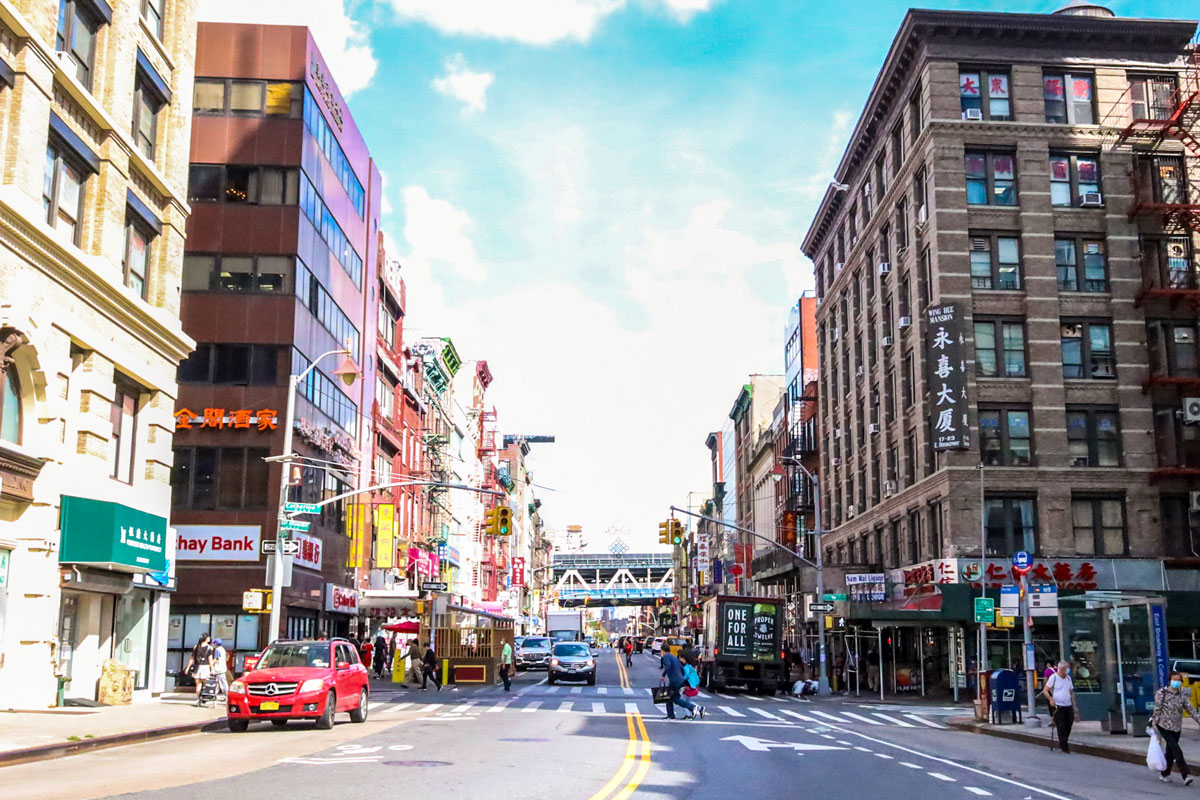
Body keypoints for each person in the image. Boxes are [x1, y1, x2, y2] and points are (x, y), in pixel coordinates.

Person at [1151, 671, 1200, 785]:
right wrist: (1154, 726)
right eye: (1174, 679)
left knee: (1171, 752)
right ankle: (1185, 775)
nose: (1176, 682)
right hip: (1164, 725)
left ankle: (1164, 773)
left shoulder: (1181, 696)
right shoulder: (1161, 693)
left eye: (1178, 680)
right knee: (1176, 749)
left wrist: (1198, 720)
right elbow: (1157, 710)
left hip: (1176, 727)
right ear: (1170, 680)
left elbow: (1191, 710)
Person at [1042, 660, 1078, 753]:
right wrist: (1051, 699)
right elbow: (1045, 690)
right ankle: (1064, 746)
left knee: (1068, 725)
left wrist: (1074, 705)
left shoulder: (1068, 679)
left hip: (1068, 705)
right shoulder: (1053, 678)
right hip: (1058, 706)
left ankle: (1064, 741)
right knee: (1061, 726)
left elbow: (1071, 692)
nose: (1067, 671)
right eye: (1066, 669)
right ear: (1061, 669)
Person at [659, 650, 699, 720]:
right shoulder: (675, 659)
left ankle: (692, 707)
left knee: (671, 698)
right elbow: (682, 671)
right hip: (679, 682)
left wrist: (664, 675)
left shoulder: (667, 657)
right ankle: (671, 715)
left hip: (674, 682)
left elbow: (668, 665)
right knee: (671, 698)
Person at [185, 633, 213, 705]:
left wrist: (187, 668)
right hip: (205, 667)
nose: (209, 639)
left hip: (197, 667)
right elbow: (210, 660)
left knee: (198, 684)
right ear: (206, 639)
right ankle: (204, 698)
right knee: (206, 684)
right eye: (208, 638)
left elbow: (192, 658)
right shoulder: (209, 648)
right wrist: (212, 669)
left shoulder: (196, 647)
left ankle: (198, 699)